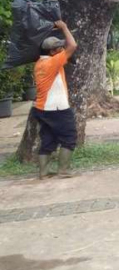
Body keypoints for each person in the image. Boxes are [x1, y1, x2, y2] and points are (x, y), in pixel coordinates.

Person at [34, 21, 79, 179]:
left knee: (48, 138)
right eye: (58, 47)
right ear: (53, 52)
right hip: (57, 109)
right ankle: (63, 170)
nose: (62, 48)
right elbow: (72, 46)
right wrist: (64, 27)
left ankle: (43, 172)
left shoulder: (40, 63)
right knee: (69, 137)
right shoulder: (53, 63)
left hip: (41, 108)